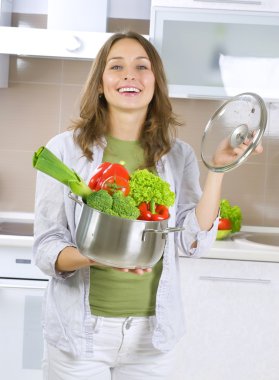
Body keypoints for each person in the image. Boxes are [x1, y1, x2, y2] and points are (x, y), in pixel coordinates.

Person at [33, 31, 263, 380]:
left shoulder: (178, 154)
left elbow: (192, 241)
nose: (129, 74)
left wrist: (217, 169)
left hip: (152, 339)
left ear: (155, 82)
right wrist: (99, 254)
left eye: (142, 66)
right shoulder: (66, 150)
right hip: (81, 336)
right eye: (117, 66)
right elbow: (47, 249)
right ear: (100, 83)